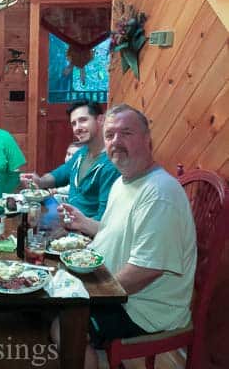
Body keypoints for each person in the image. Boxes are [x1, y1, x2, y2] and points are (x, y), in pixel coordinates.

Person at [52, 104, 197, 369]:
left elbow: (144, 271)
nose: (115, 142)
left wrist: (88, 294)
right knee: (48, 292)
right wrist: (84, 223)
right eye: (110, 136)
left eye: (126, 133)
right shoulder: (124, 180)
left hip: (143, 309)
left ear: (146, 139)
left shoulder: (159, 194)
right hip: (117, 289)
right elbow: (116, 233)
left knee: (65, 324)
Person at [21, 101, 120, 220]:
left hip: (86, 232)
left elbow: (104, 219)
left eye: (83, 120)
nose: (77, 128)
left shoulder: (110, 164)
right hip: (69, 220)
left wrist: (73, 229)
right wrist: (40, 181)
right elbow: (59, 175)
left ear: (100, 120)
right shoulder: (81, 153)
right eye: (74, 123)